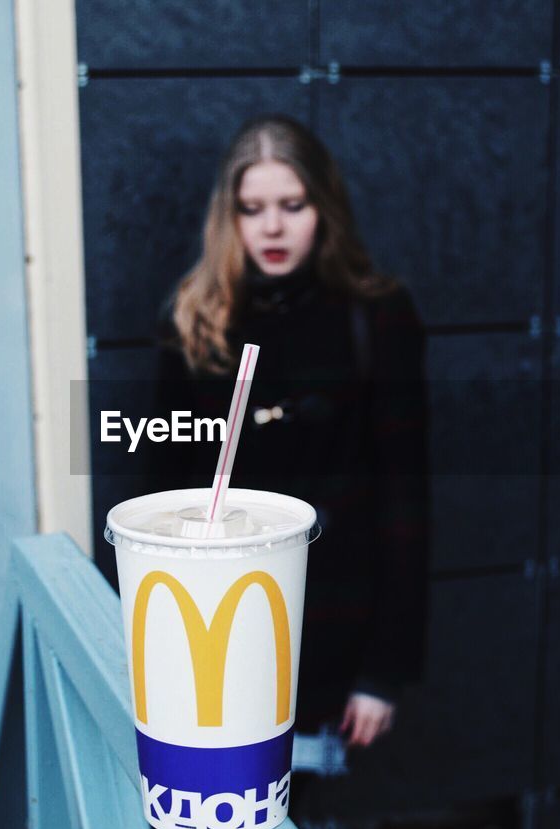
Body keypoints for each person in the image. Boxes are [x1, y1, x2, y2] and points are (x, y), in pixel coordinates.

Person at [144, 113, 430, 762]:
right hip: (217, 621)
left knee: (299, 798)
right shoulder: (195, 320)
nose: (271, 227)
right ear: (230, 217)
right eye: (252, 209)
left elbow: (406, 499)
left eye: (291, 206)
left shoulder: (378, 317)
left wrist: (385, 671)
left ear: (323, 208)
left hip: (333, 619)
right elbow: (160, 490)